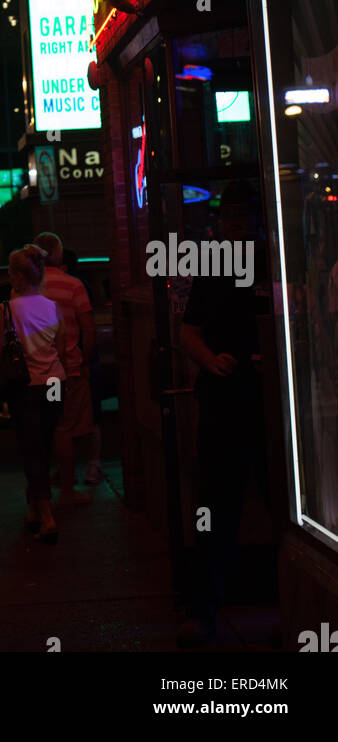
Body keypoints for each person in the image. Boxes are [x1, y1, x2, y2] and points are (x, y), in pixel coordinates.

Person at [177, 180, 272, 648]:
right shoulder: (212, 265)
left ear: (254, 220)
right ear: (219, 222)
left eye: (242, 215)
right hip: (225, 398)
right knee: (216, 505)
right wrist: (210, 359)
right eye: (228, 216)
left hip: (269, 397)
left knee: (280, 501)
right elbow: (187, 330)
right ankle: (205, 608)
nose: (235, 223)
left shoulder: (270, 258)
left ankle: (288, 599)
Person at [0, 245, 66, 543]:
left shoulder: (7, 310)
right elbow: (62, 349)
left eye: (10, 272)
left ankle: (47, 517)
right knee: (44, 444)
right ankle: (35, 507)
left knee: (32, 450)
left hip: (29, 387)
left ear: (19, 277)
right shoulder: (52, 306)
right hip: (56, 382)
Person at [34, 232, 97, 507]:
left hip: (37, 372)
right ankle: (68, 491)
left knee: (44, 430)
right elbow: (88, 328)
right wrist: (85, 362)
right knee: (66, 428)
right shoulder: (74, 286)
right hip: (68, 369)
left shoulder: (29, 287)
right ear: (59, 254)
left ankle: (42, 490)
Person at [63, 246, 103, 486]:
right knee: (82, 416)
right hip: (81, 362)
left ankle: (88, 466)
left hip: (77, 363)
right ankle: (88, 466)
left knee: (79, 417)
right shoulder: (78, 287)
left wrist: (85, 361)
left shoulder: (75, 287)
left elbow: (87, 328)